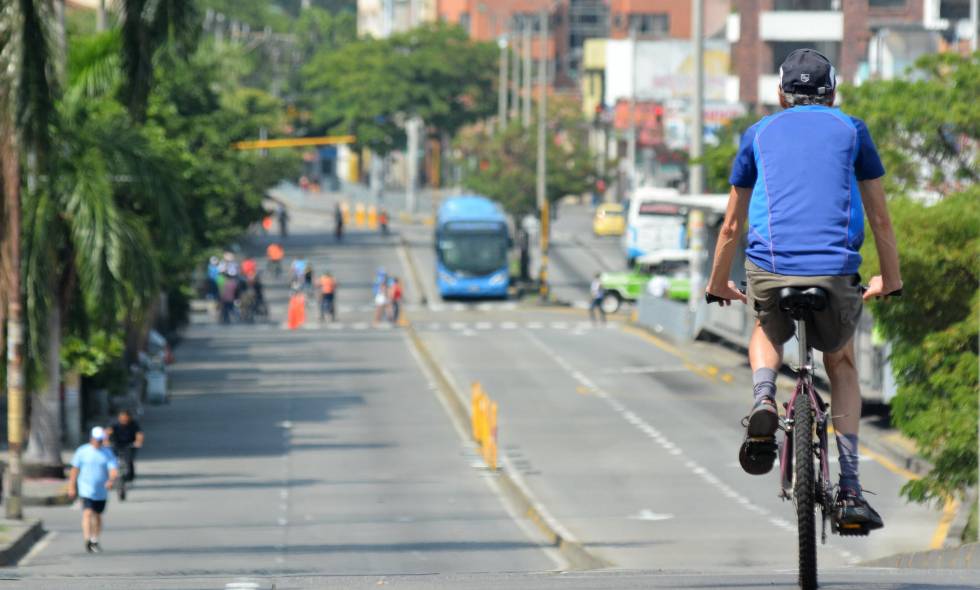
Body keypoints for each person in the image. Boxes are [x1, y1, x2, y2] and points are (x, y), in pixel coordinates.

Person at [704, 49, 902, 532]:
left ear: (779, 94)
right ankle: (851, 487)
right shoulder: (852, 130)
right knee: (842, 362)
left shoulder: (758, 134)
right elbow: (879, 217)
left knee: (766, 330)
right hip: (835, 272)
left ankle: (766, 397)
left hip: (771, 269)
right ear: (832, 93)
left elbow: (731, 225)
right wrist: (891, 279)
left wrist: (716, 284)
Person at [68, 427, 119, 553]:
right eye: (96, 440)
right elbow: (74, 470)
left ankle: (95, 539)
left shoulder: (107, 453)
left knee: (97, 515)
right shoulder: (82, 451)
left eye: (100, 440)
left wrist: (111, 480)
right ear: (91, 439)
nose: (98, 442)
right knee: (87, 513)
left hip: (101, 491)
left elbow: (113, 470)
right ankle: (87, 540)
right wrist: (71, 486)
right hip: (85, 489)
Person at [106, 410, 143, 482]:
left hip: (129, 445)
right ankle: (111, 475)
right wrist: (106, 441)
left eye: (126, 417)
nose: (124, 419)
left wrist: (138, 442)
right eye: (122, 417)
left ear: (129, 417)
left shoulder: (133, 425)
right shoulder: (115, 424)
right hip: (116, 444)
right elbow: (107, 432)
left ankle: (130, 475)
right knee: (112, 459)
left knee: (129, 459)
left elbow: (139, 434)